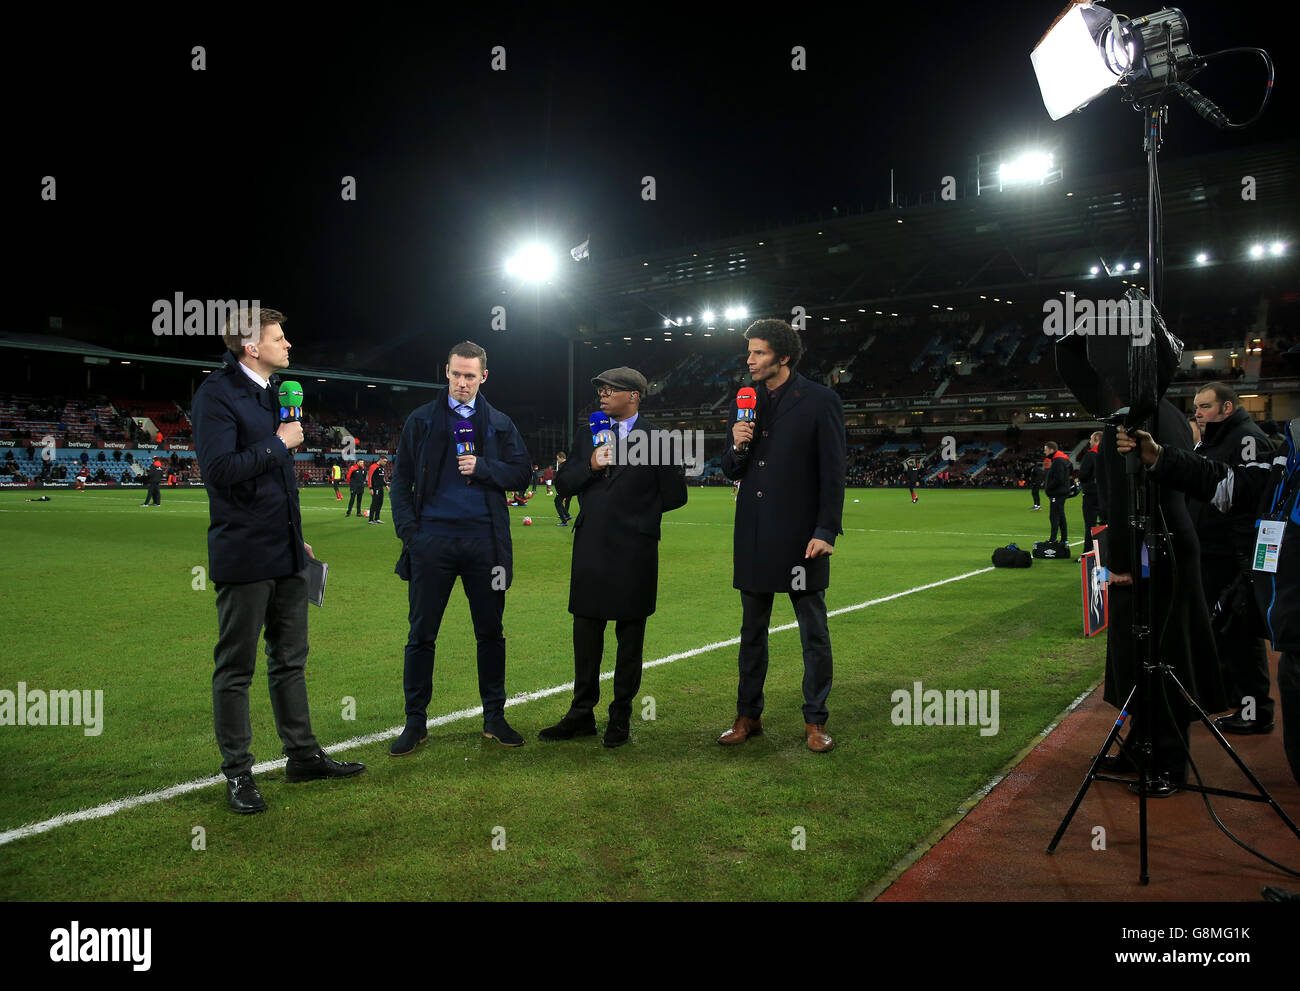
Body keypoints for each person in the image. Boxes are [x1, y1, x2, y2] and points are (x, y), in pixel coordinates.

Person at [192, 305, 364, 814]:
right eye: (279, 338)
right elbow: (219, 470)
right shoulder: (215, 395)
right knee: (236, 667)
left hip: (286, 550)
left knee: (290, 660)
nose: (288, 345)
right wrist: (277, 443)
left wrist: (299, 537)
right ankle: (239, 774)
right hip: (243, 551)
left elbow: (277, 485)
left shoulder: (275, 395)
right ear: (251, 347)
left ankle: (302, 755)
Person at [1119, 414, 1299, 786]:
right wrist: (1161, 457)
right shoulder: (1292, 442)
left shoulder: (1260, 438)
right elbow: (1241, 489)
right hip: (1292, 629)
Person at [388, 341, 532, 753]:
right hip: (431, 542)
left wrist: (484, 467)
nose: (462, 383)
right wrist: (411, 536)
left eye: (470, 376)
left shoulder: (500, 423)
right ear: (446, 373)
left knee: (490, 633)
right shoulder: (421, 420)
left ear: (483, 377)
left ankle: (494, 717)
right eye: (456, 374)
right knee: (421, 634)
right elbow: (400, 482)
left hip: (485, 544)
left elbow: (523, 474)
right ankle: (416, 722)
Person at [539, 368, 688, 747]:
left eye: (611, 389)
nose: (603, 394)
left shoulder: (658, 438)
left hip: (635, 548)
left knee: (629, 635)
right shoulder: (587, 433)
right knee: (586, 632)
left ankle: (620, 715)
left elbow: (676, 495)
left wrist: (637, 517)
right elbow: (563, 483)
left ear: (634, 395)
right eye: (601, 389)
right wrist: (591, 465)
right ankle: (580, 713)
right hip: (591, 545)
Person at [719, 319, 846, 753]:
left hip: (800, 539)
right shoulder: (746, 403)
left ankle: (815, 721)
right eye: (749, 352)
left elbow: (833, 471)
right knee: (751, 631)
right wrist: (736, 445)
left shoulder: (820, 400)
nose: (749, 360)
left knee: (813, 632)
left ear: (783, 357)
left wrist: (826, 529)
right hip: (754, 533)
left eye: (758, 353)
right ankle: (747, 715)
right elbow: (732, 469)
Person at [1096, 401, 1226, 796]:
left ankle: (1168, 762)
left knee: (1164, 658)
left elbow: (1145, 496)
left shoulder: (1148, 416)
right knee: (1139, 659)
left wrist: (1122, 561)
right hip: (1149, 551)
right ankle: (1140, 747)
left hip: (1153, 554)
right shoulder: (1153, 412)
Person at [1189, 382, 1275, 735]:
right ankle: (1229, 699)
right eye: (1196, 407)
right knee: (1221, 631)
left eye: (1205, 406)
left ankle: (1254, 711)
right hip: (1213, 550)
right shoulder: (1215, 438)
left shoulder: (1246, 439)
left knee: (1239, 632)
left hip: (1232, 553)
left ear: (1227, 407)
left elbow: (1249, 497)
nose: (1198, 413)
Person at [1078, 431, 1103, 554]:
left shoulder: (1091, 455)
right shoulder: (1110, 455)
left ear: (1097, 440)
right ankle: (1104, 553)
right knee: (1104, 524)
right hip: (1105, 495)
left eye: (1091, 439)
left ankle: (1088, 553)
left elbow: (1083, 474)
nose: (1090, 442)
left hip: (1091, 494)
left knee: (1090, 525)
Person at [1043, 441, 1072, 544]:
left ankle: (1053, 539)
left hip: (1058, 493)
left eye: (1046, 450)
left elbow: (1058, 479)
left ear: (1051, 450)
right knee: (1060, 515)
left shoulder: (1058, 461)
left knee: (1054, 516)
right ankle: (1064, 539)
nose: (1044, 452)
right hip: (1061, 492)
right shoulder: (1061, 459)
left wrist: (1048, 488)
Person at [367, 455, 389, 524]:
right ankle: (370, 519)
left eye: (386, 462)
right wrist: (370, 488)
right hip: (375, 488)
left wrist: (386, 485)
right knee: (374, 503)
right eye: (384, 461)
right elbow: (369, 478)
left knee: (380, 503)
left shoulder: (382, 468)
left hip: (380, 488)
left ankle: (377, 518)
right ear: (380, 459)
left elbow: (382, 478)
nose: (385, 463)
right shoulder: (373, 467)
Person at [553, 452, 572, 526]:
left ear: (561, 458)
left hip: (564, 488)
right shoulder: (569, 464)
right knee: (559, 502)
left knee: (557, 502)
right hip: (570, 487)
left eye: (558, 459)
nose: (557, 461)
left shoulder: (563, 466)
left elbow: (562, 478)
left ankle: (564, 521)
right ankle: (567, 515)